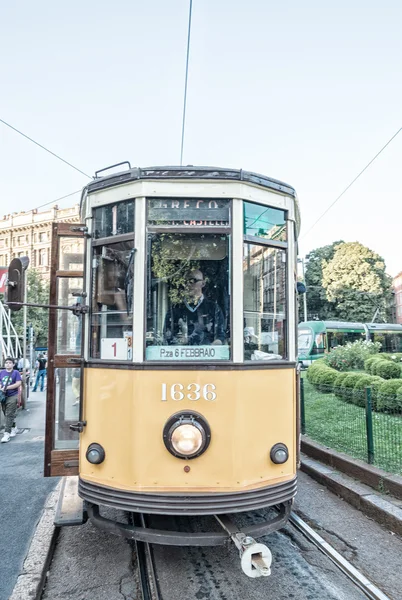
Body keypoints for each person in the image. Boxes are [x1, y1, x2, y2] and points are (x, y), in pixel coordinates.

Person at [164, 269, 225, 346]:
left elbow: (220, 336)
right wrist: (179, 342)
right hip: (181, 355)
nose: (188, 284)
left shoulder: (214, 308)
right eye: (184, 281)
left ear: (203, 283)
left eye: (193, 280)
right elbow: (167, 335)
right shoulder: (175, 309)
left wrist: (209, 350)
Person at [1, 357, 22, 443]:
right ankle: (13, 427)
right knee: (6, 412)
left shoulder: (16, 372)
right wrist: (1, 388)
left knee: (9, 413)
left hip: (13, 395)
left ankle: (6, 433)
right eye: (6, 363)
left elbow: (18, 383)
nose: (8, 364)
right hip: (3, 396)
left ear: (13, 364)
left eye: (10, 363)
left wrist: (6, 387)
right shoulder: (1, 372)